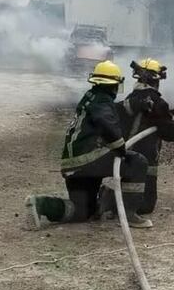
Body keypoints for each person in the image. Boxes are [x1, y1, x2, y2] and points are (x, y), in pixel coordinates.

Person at [25, 61, 152, 229]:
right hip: (89, 161)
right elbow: (106, 121)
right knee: (137, 162)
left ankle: (41, 204)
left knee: (82, 211)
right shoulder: (101, 102)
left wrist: (137, 105)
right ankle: (130, 215)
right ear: (114, 85)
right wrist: (121, 148)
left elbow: (109, 111)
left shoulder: (91, 97)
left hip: (72, 165)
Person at [101, 58, 174, 220]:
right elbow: (170, 132)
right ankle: (110, 201)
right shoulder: (156, 102)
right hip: (142, 159)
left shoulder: (132, 99)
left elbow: (157, 118)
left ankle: (112, 197)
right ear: (156, 80)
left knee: (132, 188)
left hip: (125, 156)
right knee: (146, 205)